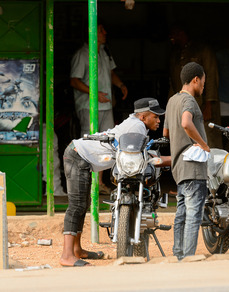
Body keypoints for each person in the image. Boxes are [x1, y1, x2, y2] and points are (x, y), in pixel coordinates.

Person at [60, 97, 166, 267]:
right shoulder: (137, 127)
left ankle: (77, 250)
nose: (159, 120)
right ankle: (66, 255)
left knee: (83, 203)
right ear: (143, 117)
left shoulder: (137, 125)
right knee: (77, 205)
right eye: (156, 116)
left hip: (81, 156)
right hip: (77, 155)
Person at [70, 20, 128, 194]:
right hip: (88, 106)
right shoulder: (82, 54)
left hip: (106, 105)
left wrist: (120, 85)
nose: (105, 32)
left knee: (107, 143)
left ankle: (99, 182)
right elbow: (74, 80)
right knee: (88, 143)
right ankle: (86, 183)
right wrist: (94, 93)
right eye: (101, 30)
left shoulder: (104, 52)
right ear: (92, 33)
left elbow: (111, 73)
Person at [163, 62, 209, 260]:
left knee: (181, 212)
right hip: (193, 167)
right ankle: (188, 256)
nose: (203, 87)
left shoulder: (172, 101)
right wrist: (202, 144)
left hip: (179, 167)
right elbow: (185, 123)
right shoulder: (189, 101)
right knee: (193, 215)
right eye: (203, 83)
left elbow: (166, 132)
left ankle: (179, 254)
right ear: (195, 79)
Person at [168, 25, 222, 149]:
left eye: (175, 33)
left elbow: (212, 77)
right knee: (186, 139)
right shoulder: (174, 54)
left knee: (208, 136)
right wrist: (170, 105)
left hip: (202, 104)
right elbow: (172, 82)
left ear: (182, 33)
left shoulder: (203, 50)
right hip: (181, 103)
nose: (171, 37)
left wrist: (209, 104)